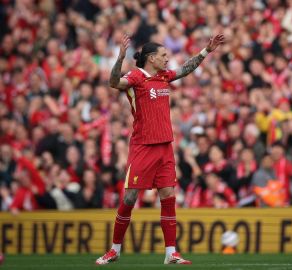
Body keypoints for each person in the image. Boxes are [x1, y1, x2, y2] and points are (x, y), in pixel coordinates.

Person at [96, 34, 225, 265]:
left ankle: (171, 253)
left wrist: (206, 50)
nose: (168, 59)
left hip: (165, 146)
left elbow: (185, 69)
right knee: (130, 197)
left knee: (168, 196)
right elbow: (113, 83)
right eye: (164, 55)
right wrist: (120, 57)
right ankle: (115, 249)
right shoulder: (136, 77)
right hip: (143, 147)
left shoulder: (164, 77)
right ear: (152, 58)